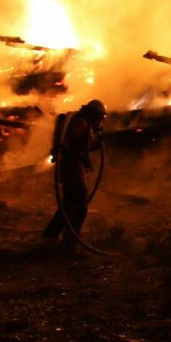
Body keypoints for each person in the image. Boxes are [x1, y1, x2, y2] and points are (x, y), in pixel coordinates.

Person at [43, 99, 107, 245]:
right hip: (72, 168)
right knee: (80, 206)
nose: (100, 121)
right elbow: (71, 143)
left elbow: (84, 144)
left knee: (68, 204)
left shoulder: (82, 121)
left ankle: (51, 234)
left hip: (72, 167)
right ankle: (70, 240)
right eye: (101, 117)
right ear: (95, 114)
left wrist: (96, 138)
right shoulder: (80, 123)